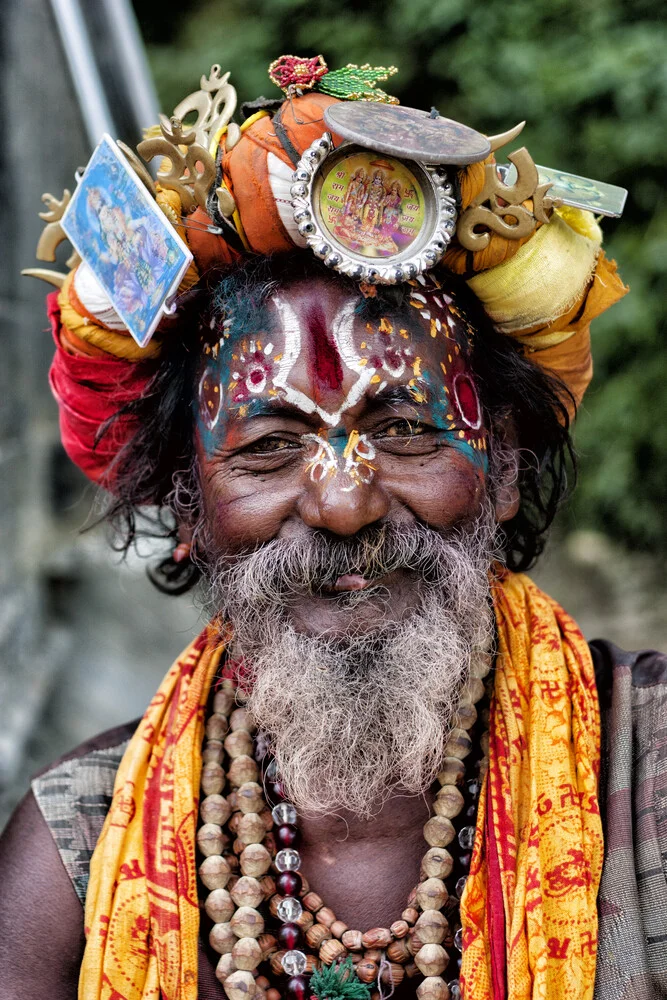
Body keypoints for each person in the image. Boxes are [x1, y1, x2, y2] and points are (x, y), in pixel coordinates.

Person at [1, 55, 665, 1000]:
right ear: (187, 506)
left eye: (403, 431)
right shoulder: (76, 846)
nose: (344, 506)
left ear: (504, 469)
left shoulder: (649, 773)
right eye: (269, 447)